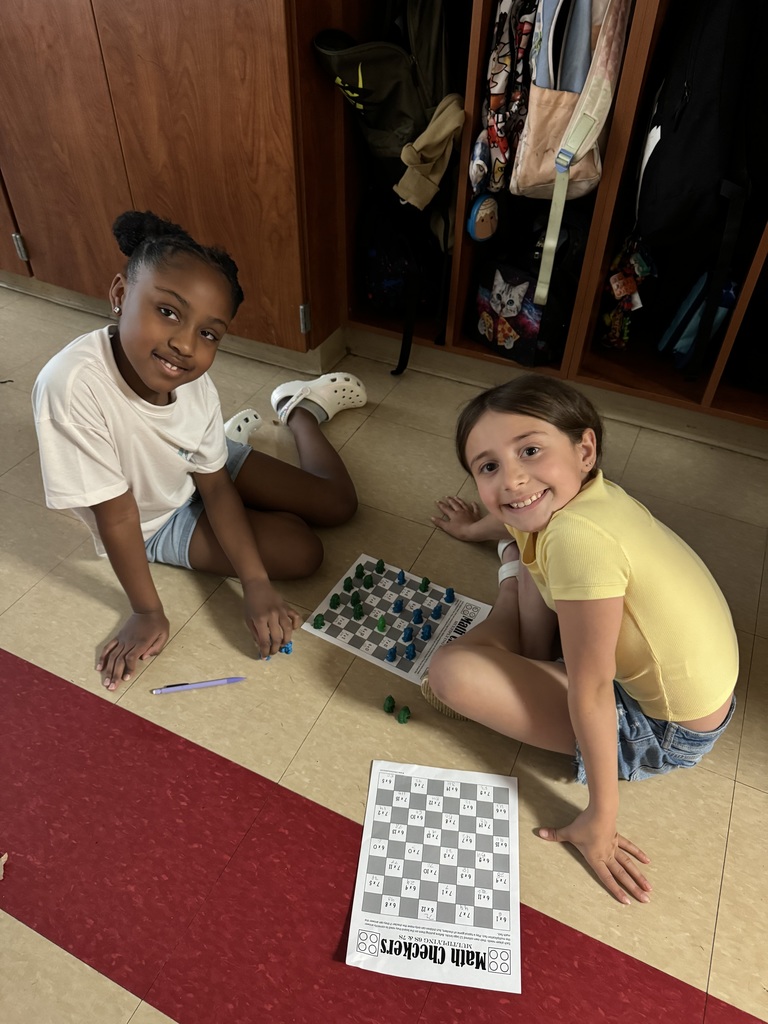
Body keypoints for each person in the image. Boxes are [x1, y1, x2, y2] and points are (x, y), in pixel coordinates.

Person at [426, 375, 737, 904]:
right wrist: (474, 531)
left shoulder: (576, 539)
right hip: (682, 691)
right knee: (527, 535)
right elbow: (514, 517)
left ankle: (509, 605)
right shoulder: (576, 497)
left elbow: (591, 691)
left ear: (585, 448)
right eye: (489, 467)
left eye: (529, 450)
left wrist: (601, 818)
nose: (513, 478)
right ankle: (517, 615)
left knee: (448, 673)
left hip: (663, 730)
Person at [32, 210, 366, 690]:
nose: (184, 346)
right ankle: (242, 442)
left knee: (339, 505)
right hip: (152, 519)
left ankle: (300, 410)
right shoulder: (71, 386)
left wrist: (253, 582)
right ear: (121, 295)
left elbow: (215, 484)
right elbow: (120, 518)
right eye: (167, 311)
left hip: (188, 462)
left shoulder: (192, 383)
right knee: (301, 550)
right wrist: (147, 611)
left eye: (208, 334)